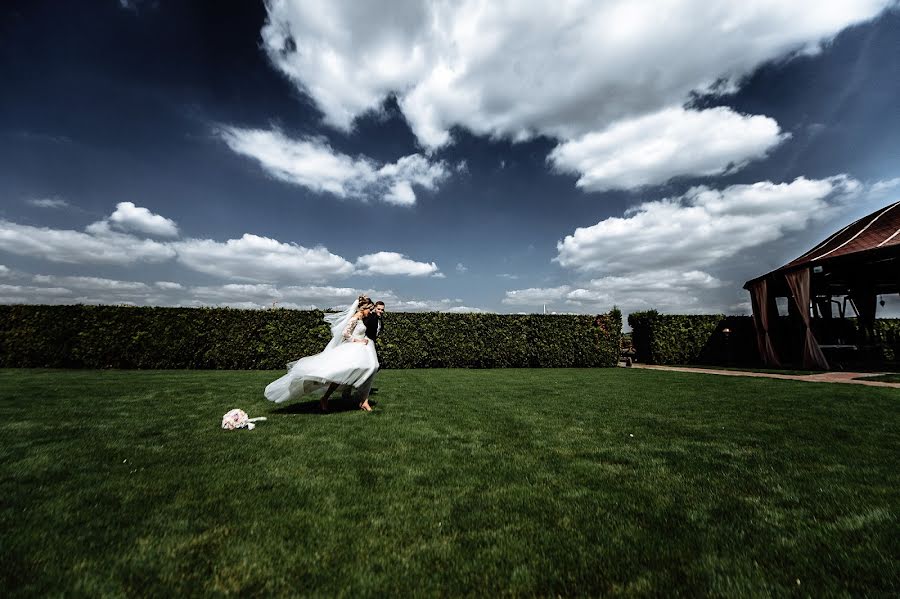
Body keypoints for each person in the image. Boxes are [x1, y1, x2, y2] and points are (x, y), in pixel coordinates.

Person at [264, 295, 378, 412]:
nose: (371, 312)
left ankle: (363, 400)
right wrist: (358, 340)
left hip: (362, 349)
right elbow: (345, 333)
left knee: (371, 368)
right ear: (362, 309)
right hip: (353, 348)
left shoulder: (362, 319)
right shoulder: (354, 318)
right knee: (339, 375)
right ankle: (327, 398)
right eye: (369, 309)